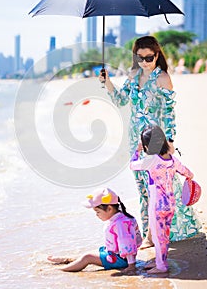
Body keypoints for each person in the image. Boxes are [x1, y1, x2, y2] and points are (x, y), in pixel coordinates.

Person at [99, 35, 200, 246]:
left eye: (149, 57)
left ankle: (152, 236)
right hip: (135, 139)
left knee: (159, 187)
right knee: (142, 188)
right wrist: (107, 82)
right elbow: (120, 100)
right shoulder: (133, 75)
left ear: (157, 55)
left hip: (155, 139)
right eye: (141, 57)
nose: (145, 61)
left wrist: (170, 140)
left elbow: (169, 112)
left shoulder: (162, 78)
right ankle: (151, 230)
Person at [130, 125, 195, 273]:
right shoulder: (173, 160)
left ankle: (161, 266)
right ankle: (160, 262)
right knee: (164, 236)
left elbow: (132, 165)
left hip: (157, 205)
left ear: (147, 145)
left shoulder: (151, 160)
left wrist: (137, 151)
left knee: (159, 238)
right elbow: (189, 174)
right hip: (170, 204)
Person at [47, 187, 142, 272]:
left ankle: (58, 270)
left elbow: (127, 243)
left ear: (109, 208)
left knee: (87, 257)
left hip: (120, 260)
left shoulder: (120, 223)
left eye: (98, 212)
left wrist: (131, 266)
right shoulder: (120, 218)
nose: (97, 215)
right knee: (87, 255)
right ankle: (66, 260)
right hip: (117, 256)